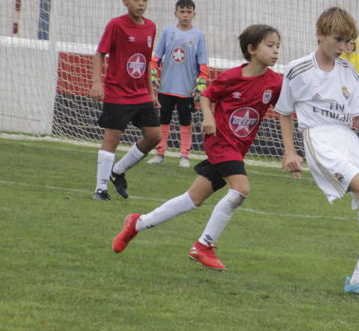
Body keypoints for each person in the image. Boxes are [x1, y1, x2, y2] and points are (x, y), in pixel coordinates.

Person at [113, 24, 283, 270]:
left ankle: (136, 223)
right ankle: (204, 245)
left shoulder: (276, 83)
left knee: (192, 199)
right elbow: (206, 95)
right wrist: (208, 117)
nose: (276, 51)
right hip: (221, 142)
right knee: (241, 189)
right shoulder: (232, 77)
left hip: (236, 148)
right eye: (270, 45)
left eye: (278, 46)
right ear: (252, 49)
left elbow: (289, 106)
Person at [276, 7, 359, 298]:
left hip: (348, 140)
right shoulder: (298, 69)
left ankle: (358, 280)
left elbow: (358, 115)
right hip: (319, 139)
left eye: (348, 42)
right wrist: (289, 152)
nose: (343, 48)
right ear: (320, 34)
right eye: (338, 40)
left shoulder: (349, 71)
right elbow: (284, 112)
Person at [91, 0, 161, 201]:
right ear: (125, 1)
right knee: (113, 136)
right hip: (117, 92)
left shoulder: (150, 27)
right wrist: (97, 83)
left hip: (140, 93)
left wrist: (151, 92)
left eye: (145, 0)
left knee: (154, 136)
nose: (141, 4)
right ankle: (100, 189)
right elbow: (100, 54)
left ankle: (118, 170)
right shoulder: (116, 25)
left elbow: (147, 62)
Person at [149, 0, 209, 168]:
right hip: (166, 87)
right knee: (163, 120)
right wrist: (152, 75)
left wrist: (201, 84)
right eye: (182, 11)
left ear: (194, 14)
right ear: (175, 13)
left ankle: (184, 156)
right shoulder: (168, 32)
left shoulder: (198, 35)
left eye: (189, 12)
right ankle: (160, 153)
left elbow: (202, 64)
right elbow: (156, 58)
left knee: (186, 121)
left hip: (186, 89)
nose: (185, 15)